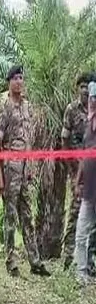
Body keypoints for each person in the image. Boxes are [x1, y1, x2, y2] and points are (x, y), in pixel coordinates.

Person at [0, 65, 50, 277]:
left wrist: (31, 167)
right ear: (9, 81)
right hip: (10, 165)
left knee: (27, 215)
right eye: (15, 78)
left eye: (21, 78)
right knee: (10, 215)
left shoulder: (27, 106)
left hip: (25, 166)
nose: (19, 81)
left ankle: (35, 261)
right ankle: (11, 262)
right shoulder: (5, 107)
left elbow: (29, 139)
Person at [62, 73, 94, 270]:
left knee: (90, 218)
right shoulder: (72, 110)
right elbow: (64, 140)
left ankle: (87, 261)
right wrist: (72, 167)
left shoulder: (94, 111)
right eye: (81, 86)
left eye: (87, 87)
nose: (84, 90)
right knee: (75, 213)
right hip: (77, 169)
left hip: (92, 171)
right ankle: (68, 256)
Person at [72, 81, 96, 284]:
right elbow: (84, 156)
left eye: (95, 98)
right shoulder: (89, 125)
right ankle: (81, 272)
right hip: (89, 188)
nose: (92, 101)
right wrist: (78, 181)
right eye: (91, 98)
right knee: (81, 232)